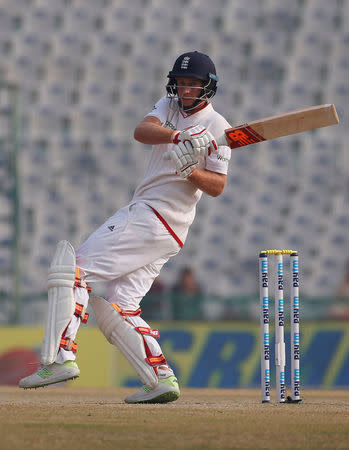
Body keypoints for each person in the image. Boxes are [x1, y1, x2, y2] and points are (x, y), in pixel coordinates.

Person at [19, 51, 231, 404]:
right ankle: (160, 378)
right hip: (163, 229)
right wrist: (177, 138)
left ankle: (60, 357)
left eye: (192, 83)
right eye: (180, 83)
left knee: (74, 271)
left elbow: (217, 187)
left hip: (155, 216)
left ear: (207, 86)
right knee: (120, 305)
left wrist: (190, 171)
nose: (185, 89)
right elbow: (142, 131)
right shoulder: (169, 105)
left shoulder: (218, 128)